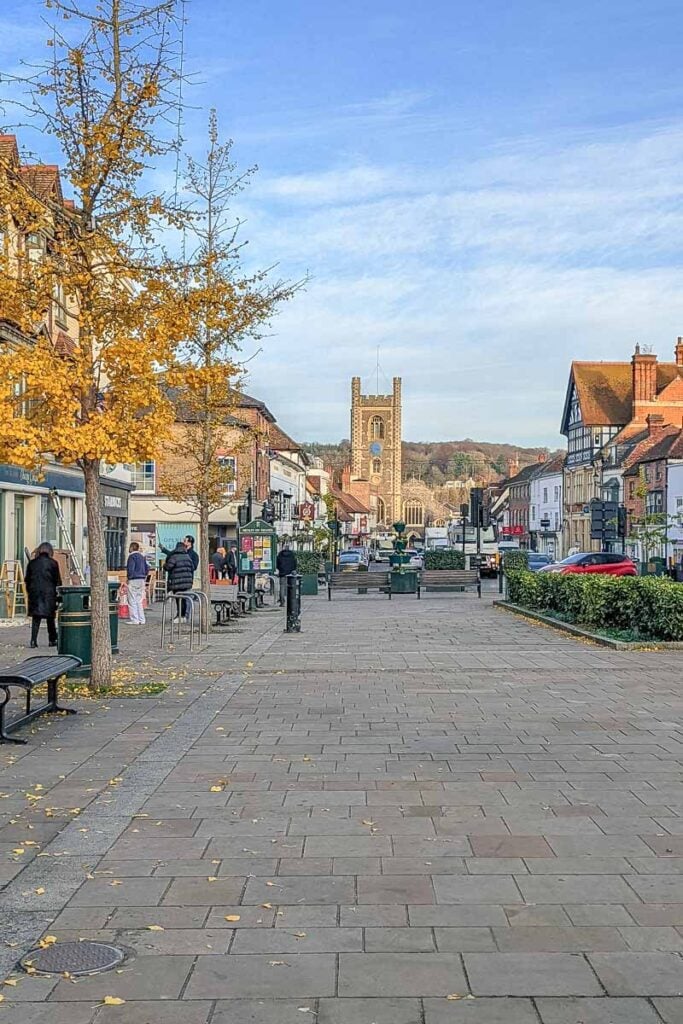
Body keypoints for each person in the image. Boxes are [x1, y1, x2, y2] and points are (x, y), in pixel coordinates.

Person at [25, 542, 62, 648]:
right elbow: (57, 581)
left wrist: (30, 591)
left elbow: (27, 579)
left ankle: (33, 640)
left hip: (35, 593)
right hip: (49, 594)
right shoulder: (53, 563)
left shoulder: (32, 563)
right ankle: (52, 639)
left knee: (36, 619)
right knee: (50, 618)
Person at [164, 541, 195, 621]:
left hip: (177, 582)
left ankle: (180, 616)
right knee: (184, 599)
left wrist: (165, 564)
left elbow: (168, 567)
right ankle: (184, 616)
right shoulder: (188, 557)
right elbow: (192, 568)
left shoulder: (174, 557)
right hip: (186, 582)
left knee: (178, 599)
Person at [126, 542, 148, 625]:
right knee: (139, 600)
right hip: (141, 579)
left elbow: (130, 568)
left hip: (134, 579)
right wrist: (144, 575)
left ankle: (135, 619)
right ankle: (142, 619)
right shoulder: (142, 557)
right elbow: (147, 568)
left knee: (132, 600)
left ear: (131, 548)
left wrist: (129, 577)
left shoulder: (132, 557)